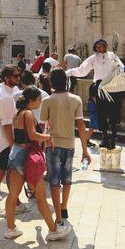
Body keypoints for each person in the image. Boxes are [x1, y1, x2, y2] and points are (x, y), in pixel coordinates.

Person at [4, 86, 71, 240]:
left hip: (15, 154)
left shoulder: (18, 113)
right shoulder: (27, 114)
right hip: (26, 157)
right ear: (32, 100)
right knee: (40, 197)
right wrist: (47, 137)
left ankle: (10, 228)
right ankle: (54, 230)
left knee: (13, 195)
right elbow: (33, 135)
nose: (41, 101)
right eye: (39, 99)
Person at [41, 69, 90, 225]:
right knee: (67, 179)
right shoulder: (76, 100)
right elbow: (81, 126)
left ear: (51, 82)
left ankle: (58, 216)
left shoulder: (47, 101)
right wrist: (85, 149)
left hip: (52, 144)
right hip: (70, 144)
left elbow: (42, 127)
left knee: (54, 181)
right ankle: (64, 207)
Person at [66, 39, 125, 149]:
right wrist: (68, 72)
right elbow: (82, 70)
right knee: (102, 113)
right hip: (100, 87)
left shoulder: (113, 56)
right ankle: (105, 138)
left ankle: (113, 139)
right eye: (97, 47)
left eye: (102, 45)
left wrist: (118, 72)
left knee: (114, 113)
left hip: (112, 87)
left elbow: (121, 69)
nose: (100, 48)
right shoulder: (93, 58)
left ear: (105, 46)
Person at [0, 65, 27, 217]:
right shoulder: (5, 97)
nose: (18, 78)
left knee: (9, 173)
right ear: (6, 78)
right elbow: (7, 124)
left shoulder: (7, 93)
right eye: (15, 76)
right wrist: (13, 145)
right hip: (4, 142)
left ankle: (15, 203)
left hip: (3, 140)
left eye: (19, 76)